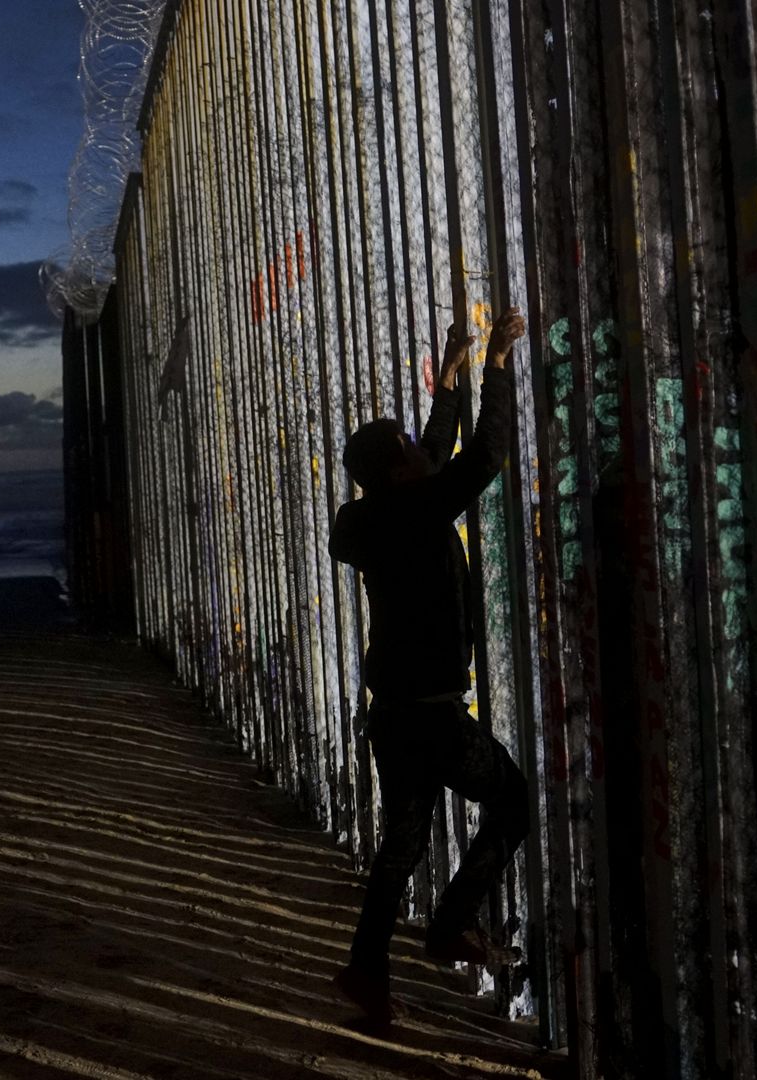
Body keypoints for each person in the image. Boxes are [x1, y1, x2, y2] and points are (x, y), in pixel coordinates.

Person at [328, 306, 531, 1024]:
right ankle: (449, 926)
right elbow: (481, 458)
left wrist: (449, 379)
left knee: (402, 846)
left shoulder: (383, 515)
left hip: (395, 717)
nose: (420, 447)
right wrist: (498, 367)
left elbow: (434, 462)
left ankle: (365, 971)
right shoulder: (416, 511)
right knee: (514, 801)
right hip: (435, 719)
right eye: (409, 445)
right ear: (396, 468)